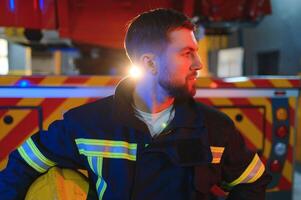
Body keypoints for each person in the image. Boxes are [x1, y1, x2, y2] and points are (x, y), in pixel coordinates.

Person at [0, 8, 271, 200]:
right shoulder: (87, 124)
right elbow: (23, 164)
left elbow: (252, 181)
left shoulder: (215, 128)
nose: (198, 64)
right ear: (150, 62)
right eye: (187, 53)